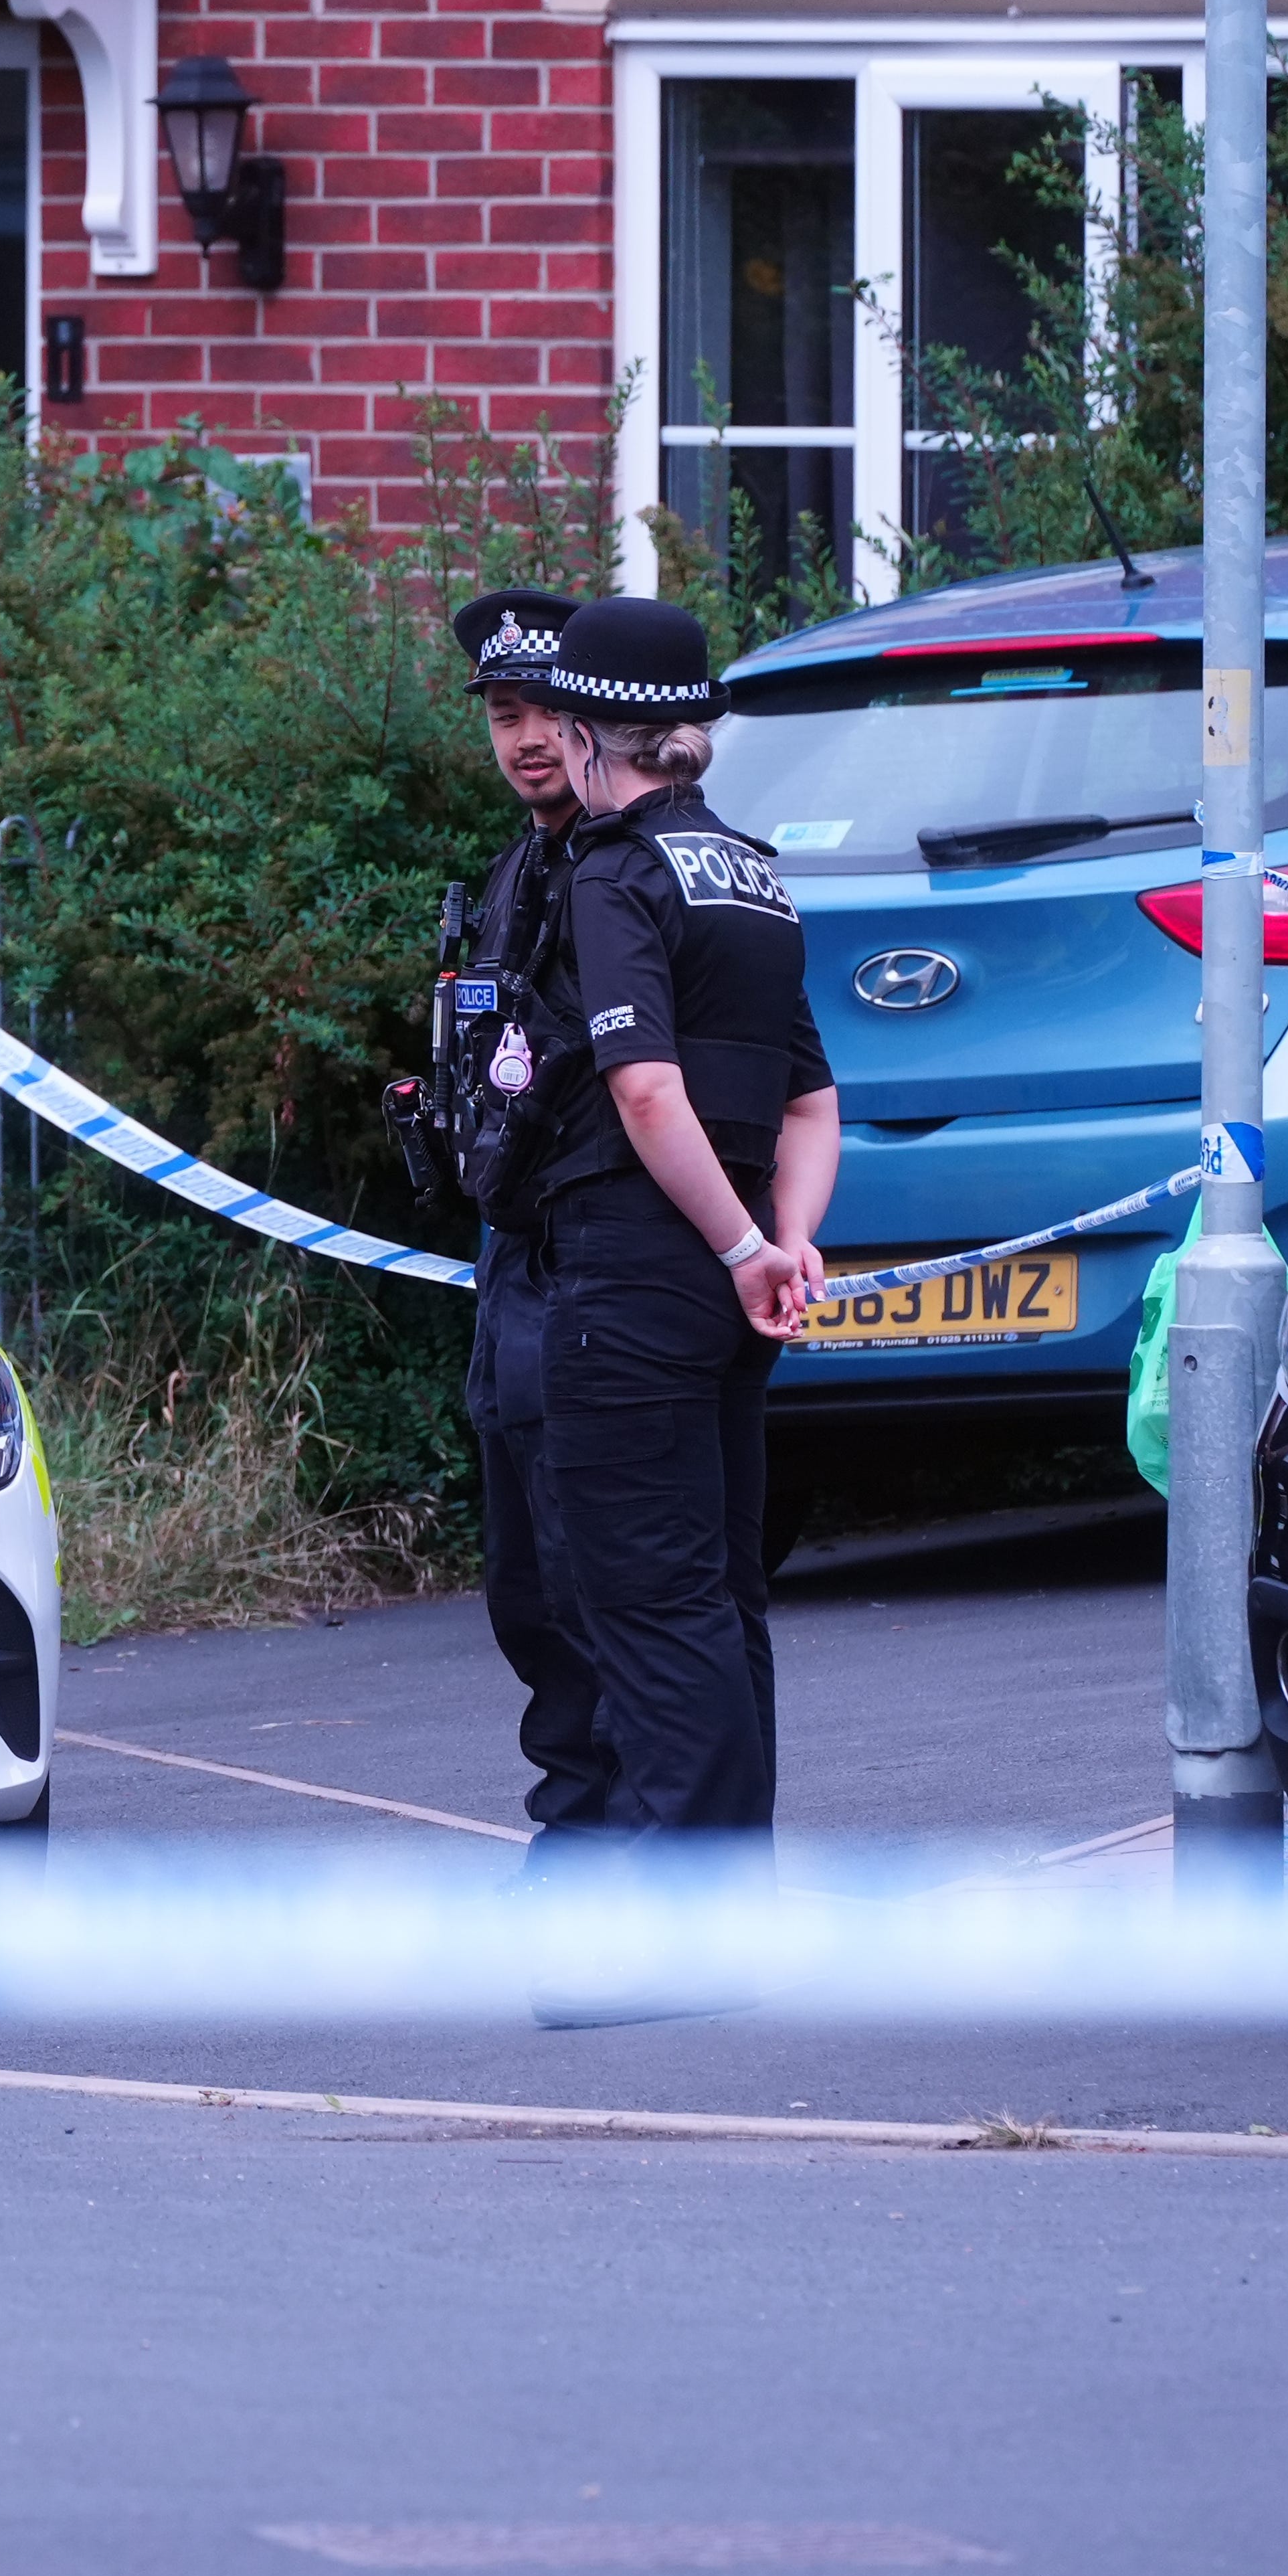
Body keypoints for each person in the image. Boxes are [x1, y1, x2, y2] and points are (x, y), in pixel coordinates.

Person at [512, 597, 839, 1844]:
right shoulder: (753, 872)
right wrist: (783, 1242)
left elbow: (643, 1087)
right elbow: (812, 1097)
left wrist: (745, 1246)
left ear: (595, 736)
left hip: (639, 1272)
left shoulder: (616, 870)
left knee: (647, 1602)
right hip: (725, 1282)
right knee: (719, 1596)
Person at [442, 588, 616, 1832]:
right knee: (525, 1585)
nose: (529, 739)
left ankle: (617, 1840)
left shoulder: (624, 867)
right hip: (515, 1260)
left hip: (601, 1263)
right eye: (508, 715)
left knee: (603, 1570)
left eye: (550, 709)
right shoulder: (515, 871)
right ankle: (571, 1825)